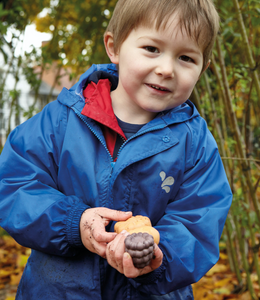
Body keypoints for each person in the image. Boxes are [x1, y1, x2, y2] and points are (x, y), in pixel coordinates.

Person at [0, 0, 232, 299]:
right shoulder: (58, 122)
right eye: (151, 49)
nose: (166, 69)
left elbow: (200, 219)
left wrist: (157, 255)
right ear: (114, 47)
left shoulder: (196, 143)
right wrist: (74, 222)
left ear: (203, 68)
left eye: (186, 58)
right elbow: (13, 187)